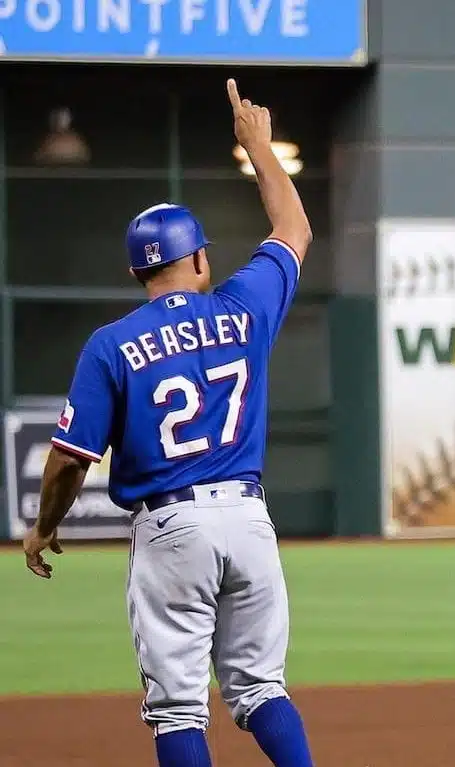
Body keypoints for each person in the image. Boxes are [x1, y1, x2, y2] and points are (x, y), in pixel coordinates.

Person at [22, 78, 315, 767]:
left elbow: (69, 458)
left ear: (136, 271)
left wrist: (44, 525)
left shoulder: (111, 343)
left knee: (180, 709)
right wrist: (258, 149)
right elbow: (293, 230)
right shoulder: (243, 306)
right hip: (248, 520)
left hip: (171, 528)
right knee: (261, 688)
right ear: (201, 259)